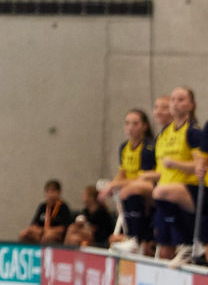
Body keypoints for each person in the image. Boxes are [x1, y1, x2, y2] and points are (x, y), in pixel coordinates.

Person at [150, 85, 202, 266]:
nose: (176, 104)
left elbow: (200, 165)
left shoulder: (194, 132)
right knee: (164, 248)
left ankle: (189, 243)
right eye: (173, 99)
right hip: (167, 193)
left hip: (191, 189)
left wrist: (176, 164)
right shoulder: (164, 134)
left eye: (181, 100)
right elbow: (160, 170)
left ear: (191, 105)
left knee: (160, 193)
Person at [100, 108, 156, 254]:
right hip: (129, 187)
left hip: (148, 187)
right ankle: (129, 237)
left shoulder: (148, 147)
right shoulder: (124, 147)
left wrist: (114, 184)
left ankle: (136, 238)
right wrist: (111, 185)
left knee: (130, 191)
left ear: (144, 126)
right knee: (123, 191)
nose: (130, 127)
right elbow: (122, 173)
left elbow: (142, 179)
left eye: (135, 123)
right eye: (127, 123)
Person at [17, 179, 73, 244]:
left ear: (59, 193)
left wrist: (50, 231)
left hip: (55, 234)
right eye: (48, 191)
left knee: (48, 236)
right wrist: (38, 230)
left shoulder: (63, 207)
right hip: (42, 232)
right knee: (24, 234)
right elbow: (34, 224)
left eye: (53, 191)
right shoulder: (43, 206)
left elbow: (65, 227)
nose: (50, 194)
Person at [63, 184, 114, 248]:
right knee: (72, 231)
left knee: (74, 236)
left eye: (84, 195)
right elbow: (86, 224)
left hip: (99, 237)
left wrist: (85, 227)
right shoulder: (86, 211)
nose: (82, 197)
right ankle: (64, 251)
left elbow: (97, 231)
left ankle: (65, 250)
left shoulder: (101, 212)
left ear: (91, 197)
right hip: (89, 234)